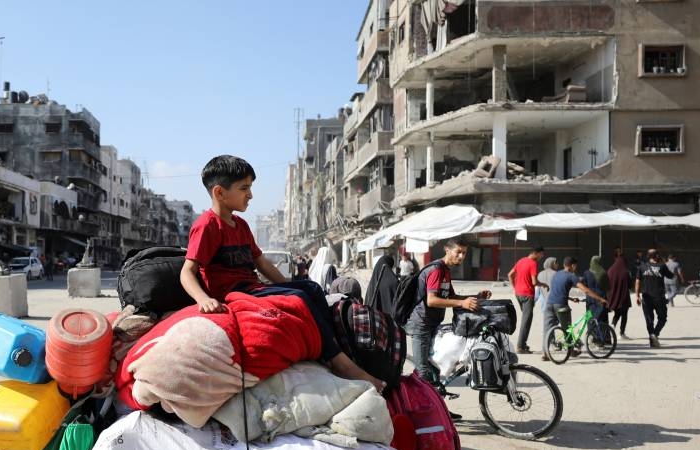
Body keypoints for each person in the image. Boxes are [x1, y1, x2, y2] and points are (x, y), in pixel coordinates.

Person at [179, 155, 385, 393]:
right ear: (219, 192)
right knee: (298, 299)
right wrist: (203, 300)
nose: (250, 195)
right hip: (234, 294)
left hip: (253, 287)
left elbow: (262, 263)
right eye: (244, 188)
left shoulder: (241, 225)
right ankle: (340, 364)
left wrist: (289, 284)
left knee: (311, 288)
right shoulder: (207, 225)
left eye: (250, 188)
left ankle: (337, 351)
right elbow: (187, 272)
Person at [405, 237, 492, 394]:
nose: (461, 256)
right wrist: (462, 303)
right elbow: (432, 300)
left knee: (434, 367)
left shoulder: (445, 270)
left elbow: (451, 296)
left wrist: (475, 296)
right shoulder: (436, 270)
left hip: (433, 324)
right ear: (447, 250)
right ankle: (420, 405)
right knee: (423, 372)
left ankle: (436, 402)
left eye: (464, 253)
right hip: (421, 325)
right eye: (458, 252)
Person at [543, 257, 608, 360]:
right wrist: (600, 298)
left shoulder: (557, 274)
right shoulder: (571, 276)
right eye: (575, 266)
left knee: (547, 329)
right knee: (568, 329)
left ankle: (545, 354)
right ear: (572, 265)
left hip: (549, 304)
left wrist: (571, 298)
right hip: (561, 305)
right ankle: (571, 350)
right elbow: (585, 290)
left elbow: (557, 290)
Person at [506, 246, 545, 353]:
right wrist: (543, 284)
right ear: (536, 253)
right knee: (526, 321)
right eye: (541, 254)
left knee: (525, 319)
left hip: (518, 294)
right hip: (527, 295)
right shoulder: (533, 263)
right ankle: (520, 346)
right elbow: (534, 282)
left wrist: (515, 287)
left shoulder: (521, 261)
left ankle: (523, 344)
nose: (542, 257)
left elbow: (510, 275)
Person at [634, 249, 674, 348]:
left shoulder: (642, 266)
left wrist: (637, 296)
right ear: (656, 256)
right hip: (659, 298)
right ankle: (655, 335)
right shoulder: (662, 266)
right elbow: (671, 276)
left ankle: (652, 339)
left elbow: (637, 281)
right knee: (662, 318)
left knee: (649, 320)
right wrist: (664, 263)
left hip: (646, 298)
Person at [607, 249, 633, 339]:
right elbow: (630, 285)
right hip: (624, 297)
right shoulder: (626, 271)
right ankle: (621, 333)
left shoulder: (610, 270)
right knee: (624, 315)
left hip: (613, 297)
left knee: (617, 313)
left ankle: (612, 326)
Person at [584, 255, 611, 335]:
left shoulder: (586, 273)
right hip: (602, 298)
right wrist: (608, 301)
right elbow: (608, 289)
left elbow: (585, 287)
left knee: (590, 318)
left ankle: (592, 336)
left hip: (590, 300)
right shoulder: (603, 273)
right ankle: (604, 338)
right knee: (602, 319)